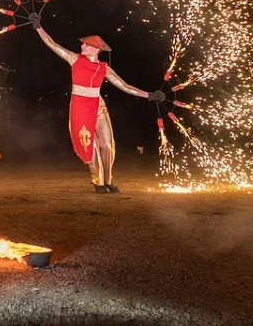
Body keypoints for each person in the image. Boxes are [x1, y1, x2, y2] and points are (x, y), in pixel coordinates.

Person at [29, 13, 165, 193]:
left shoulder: (104, 68)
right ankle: (97, 181)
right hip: (79, 107)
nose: (82, 45)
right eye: (83, 43)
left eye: (86, 44)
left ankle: (108, 180)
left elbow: (124, 86)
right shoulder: (75, 59)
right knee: (90, 145)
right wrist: (38, 27)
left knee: (107, 144)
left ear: (95, 49)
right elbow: (52, 44)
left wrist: (149, 95)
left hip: (98, 106)